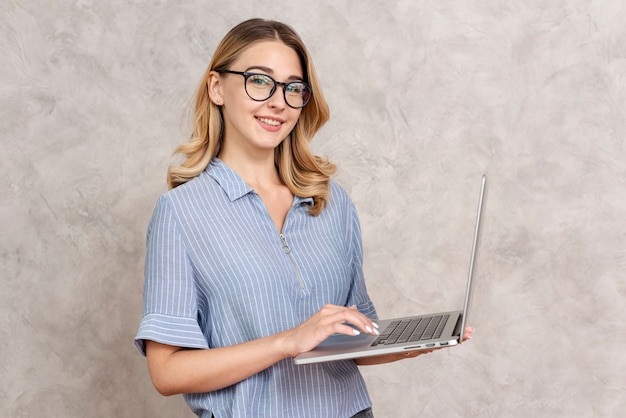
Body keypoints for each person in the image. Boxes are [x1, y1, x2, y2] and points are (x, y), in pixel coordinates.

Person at [134, 18, 474, 418]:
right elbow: (167, 371)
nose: (279, 102)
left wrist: (417, 341)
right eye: (259, 81)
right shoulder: (180, 213)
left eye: (294, 88)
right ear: (216, 87)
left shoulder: (331, 202)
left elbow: (351, 343)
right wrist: (287, 341)